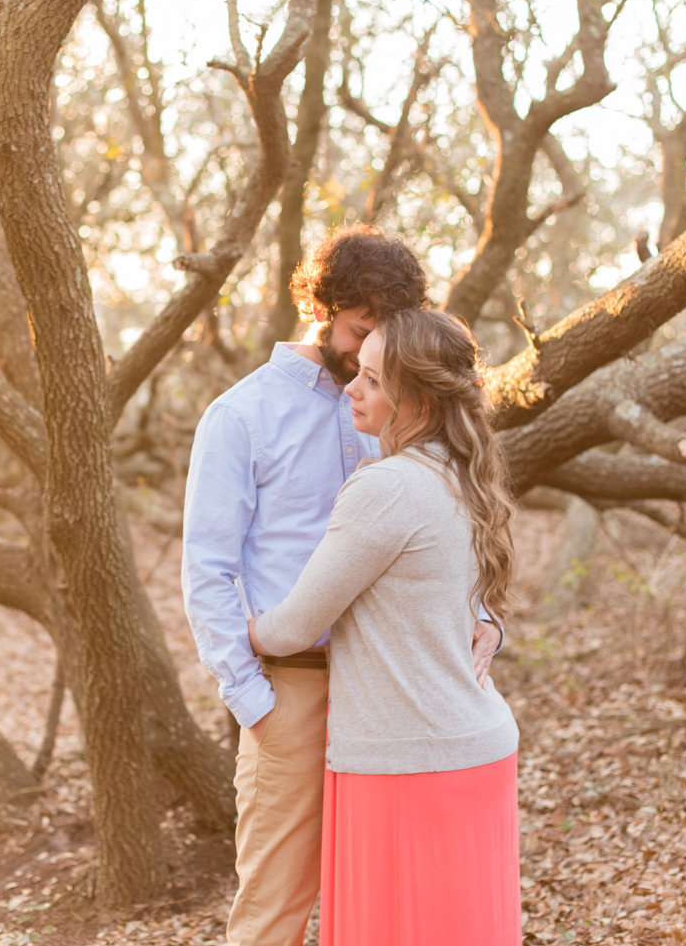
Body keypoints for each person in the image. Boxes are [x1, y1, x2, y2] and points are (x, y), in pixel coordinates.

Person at [181, 225, 502, 946]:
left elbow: (436, 519)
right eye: (359, 330)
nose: (366, 353)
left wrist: (483, 614)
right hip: (290, 692)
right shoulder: (241, 415)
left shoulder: (396, 401)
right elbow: (209, 568)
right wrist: (252, 698)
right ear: (322, 305)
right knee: (274, 910)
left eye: (382, 337)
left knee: (389, 906)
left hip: (394, 697)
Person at [249, 308, 522, 946]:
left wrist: (250, 631)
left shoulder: (386, 488)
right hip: (473, 747)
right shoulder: (462, 476)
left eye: (372, 380)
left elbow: (297, 625)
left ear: (417, 397)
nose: (352, 388)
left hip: (406, 765)